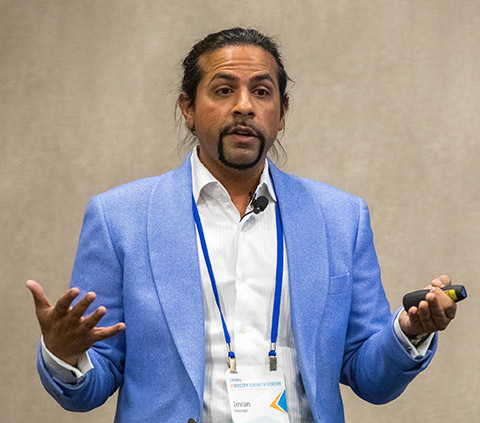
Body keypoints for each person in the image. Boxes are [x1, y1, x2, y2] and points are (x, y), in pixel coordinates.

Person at [27, 27, 457, 423]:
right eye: (223, 89)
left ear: (282, 111)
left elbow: (369, 377)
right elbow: (92, 382)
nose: (245, 106)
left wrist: (407, 331)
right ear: (188, 108)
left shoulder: (340, 219)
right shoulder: (119, 217)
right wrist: (64, 355)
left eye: (262, 91)